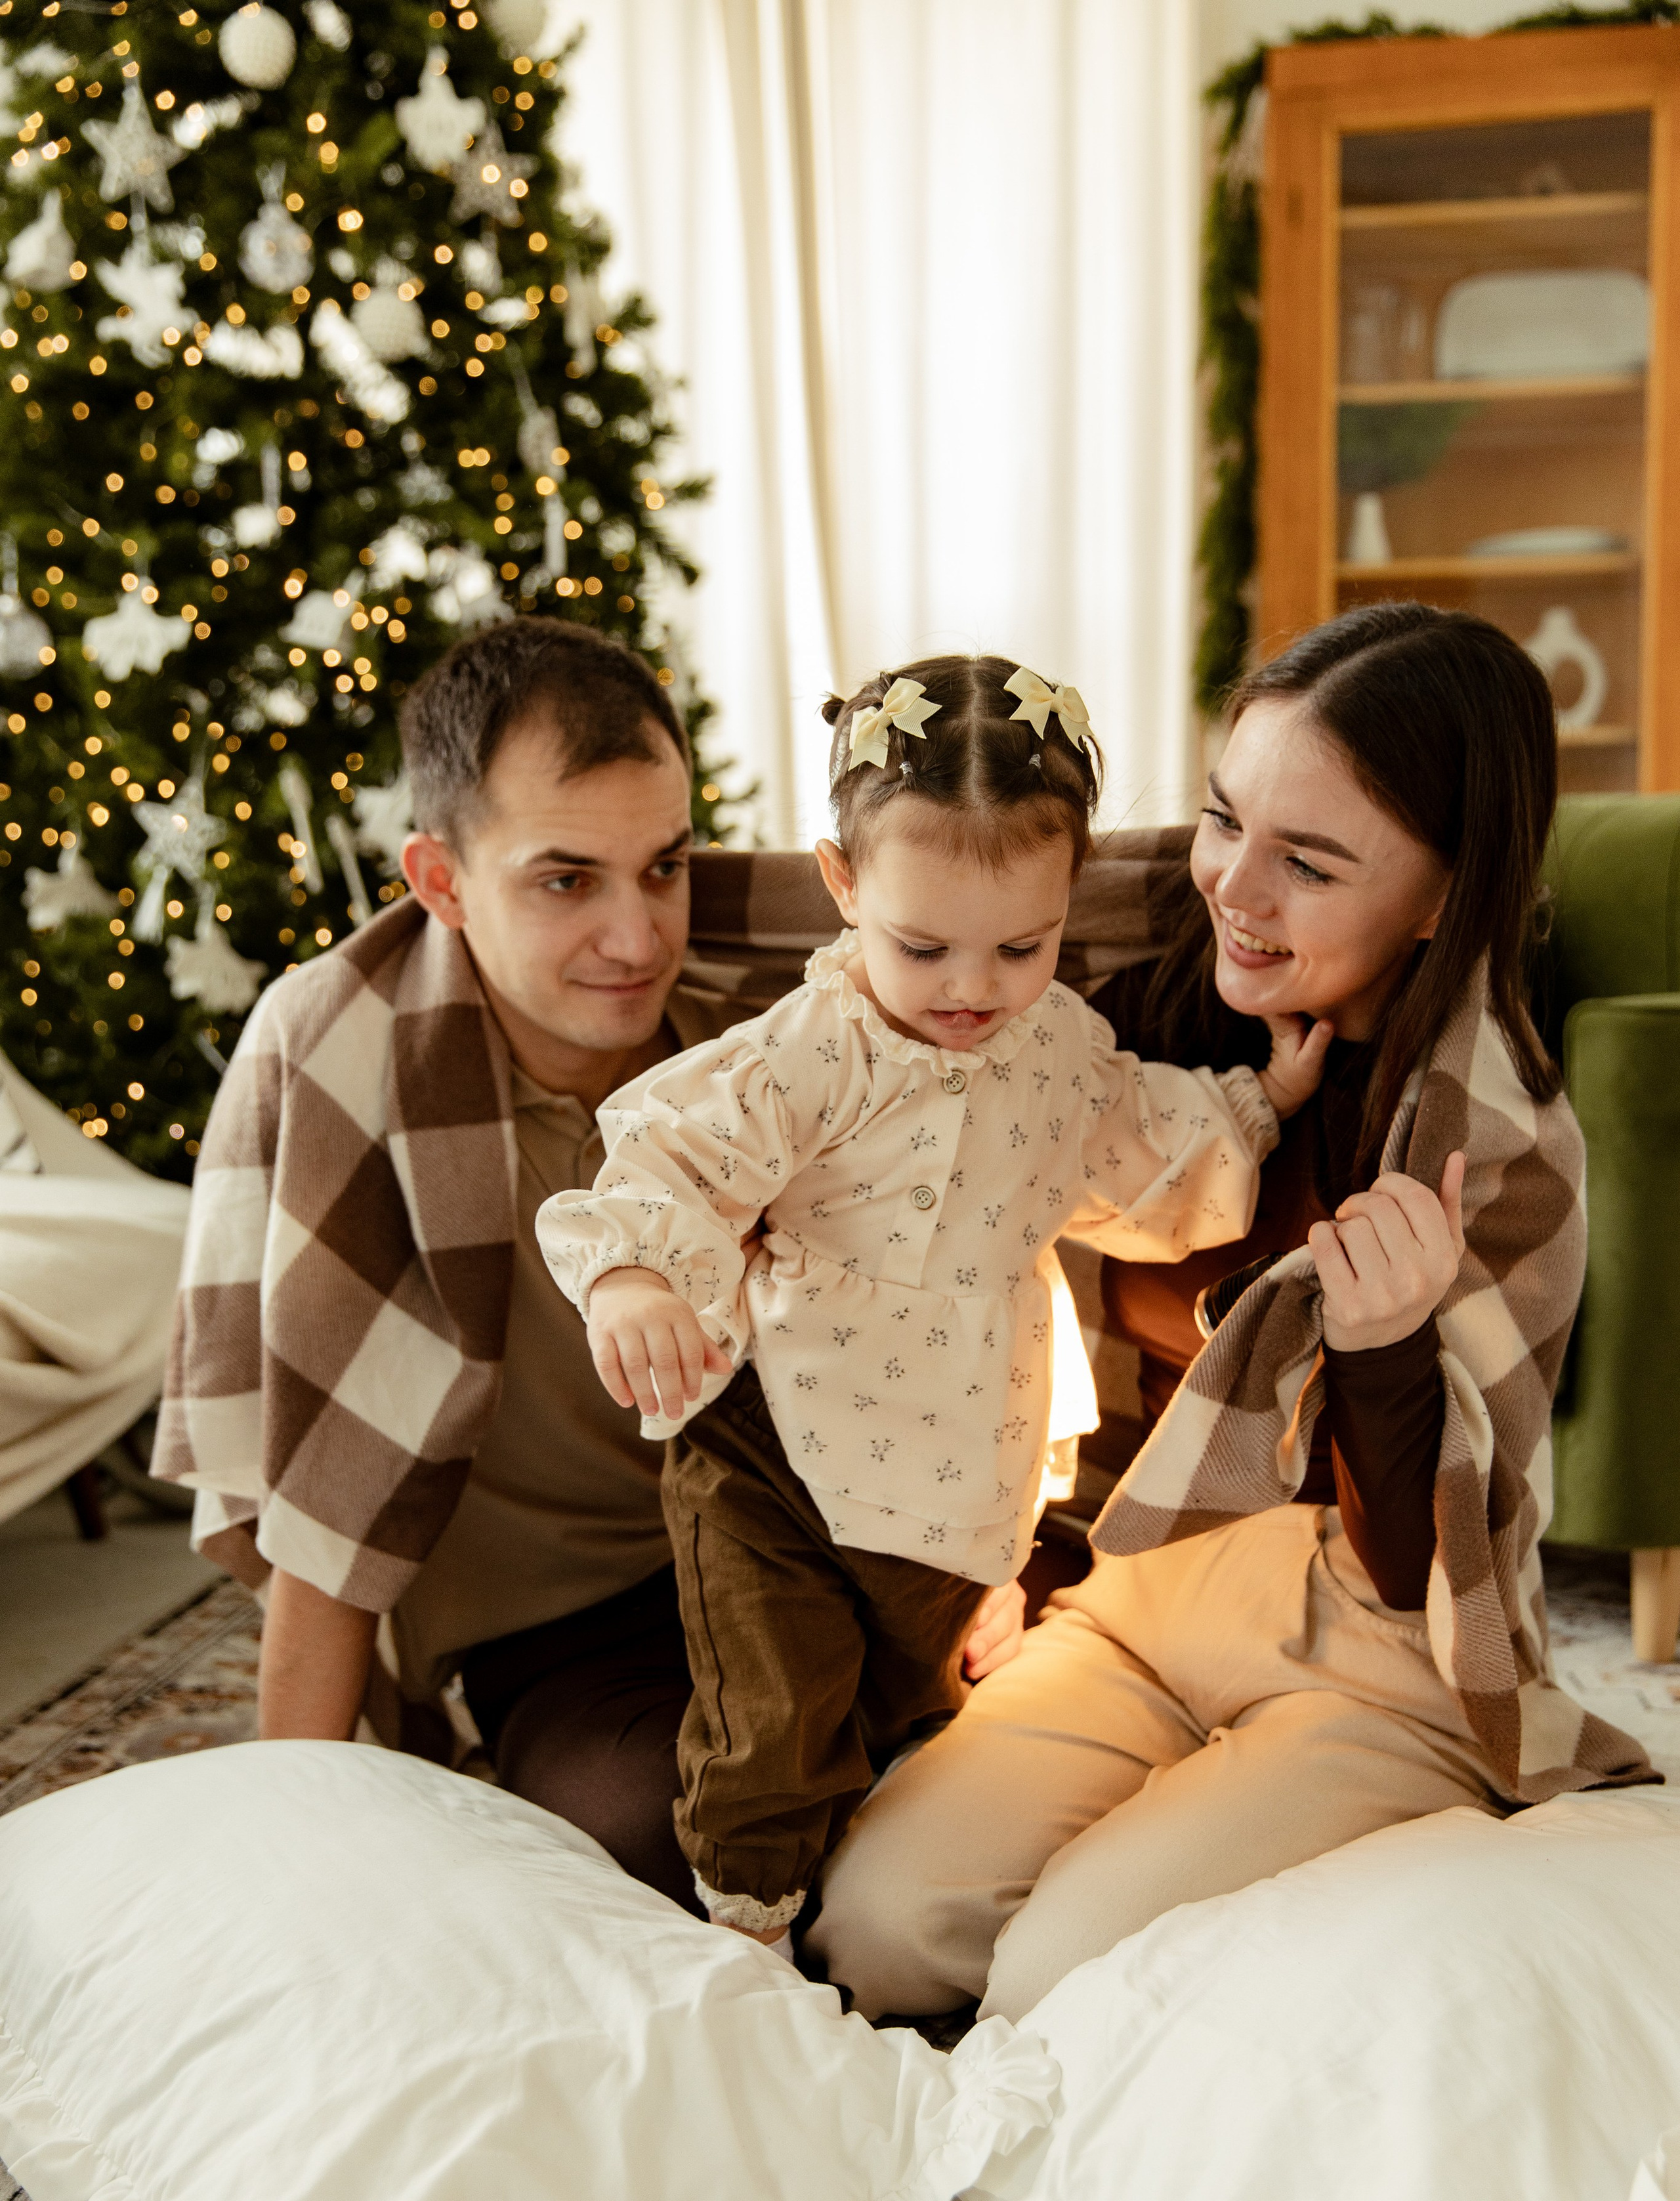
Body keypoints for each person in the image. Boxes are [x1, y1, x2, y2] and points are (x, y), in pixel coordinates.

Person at [811, 602, 1658, 2022]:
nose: (1233, 889)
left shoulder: (1494, 1148)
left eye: (1308, 863)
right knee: (882, 1931)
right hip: (1138, 1592)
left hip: (1376, 1648)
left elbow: (1416, 1572)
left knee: (1053, 1976)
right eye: (1220, 821)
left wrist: (1380, 1350)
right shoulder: (1159, 1009)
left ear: (1441, 897)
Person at [536, 653, 1327, 1949]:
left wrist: (1264, 1105)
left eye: (1021, 943)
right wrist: (628, 1273)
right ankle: (745, 1939)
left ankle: (871, 1903)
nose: (971, 987)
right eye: (922, 945)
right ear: (842, 886)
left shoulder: (1054, 1047)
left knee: (918, 1712)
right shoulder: (814, 1053)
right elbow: (669, 1153)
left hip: (959, 1463)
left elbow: (1144, 1138)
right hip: (774, 1447)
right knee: (773, 1723)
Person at [155, 621, 736, 1904]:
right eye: (565, 881)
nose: (638, 939)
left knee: (937, 1775)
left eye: (665, 866)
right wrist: (287, 1856)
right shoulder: (346, 1054)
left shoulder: (753, 1018)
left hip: (770, 1548)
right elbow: (330, 1489)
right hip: (558, 1619)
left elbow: (1020, 906)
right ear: (438, 879)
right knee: (660, 1829)